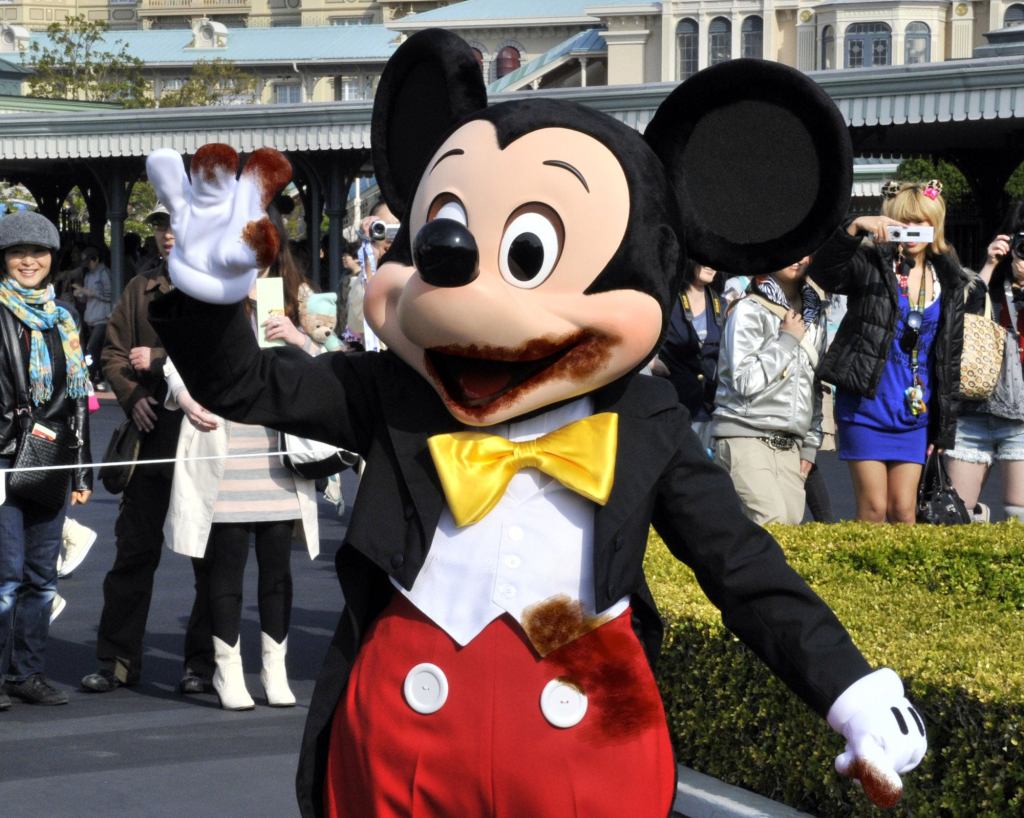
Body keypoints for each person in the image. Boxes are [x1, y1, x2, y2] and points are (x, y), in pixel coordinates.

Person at [162, 211, 321, 711]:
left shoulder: (297, 304)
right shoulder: (209, 301)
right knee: (223, 572)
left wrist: (299, 341)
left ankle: (275, 670)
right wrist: (186, 398)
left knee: (278, 574)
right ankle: (227, 673)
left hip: (278, 458)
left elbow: (333, 372)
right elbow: (175, 360)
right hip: (223, 453)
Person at [81, 204, 214, 695]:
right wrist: (132, 395)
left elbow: (229, 352)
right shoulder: (140, 289)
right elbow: (112, 352)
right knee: (133, 553)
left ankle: (202, 664)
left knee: (210, 558)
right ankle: (116, 660)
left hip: (205, 438)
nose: (169, 234)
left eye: (178, 224)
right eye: (160, 225)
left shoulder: (219, 288)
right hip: (151, 435)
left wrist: (158, 359)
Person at [807, 180, 980, 523]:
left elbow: (950, 359)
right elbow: (824, 272)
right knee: (872, 509)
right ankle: (864, 578)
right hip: (866, 406)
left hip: (915, 413)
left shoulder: (948, 279)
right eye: (905, 221)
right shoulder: (871, 262)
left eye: (921, 222)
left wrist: (943, 428)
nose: (913, 230)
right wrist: (854, 228)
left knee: (904, 510)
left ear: (936, 226)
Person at [0, 210, 93, 709]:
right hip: (2, 461)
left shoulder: (64, 319)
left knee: (42, 577)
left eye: (37, 253)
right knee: (5, 578)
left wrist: (81, 469)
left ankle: (27, 673)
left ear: (52, 259)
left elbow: (78, 399)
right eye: (18, 252)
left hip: (51, 457)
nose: (28, 261)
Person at [709, 257, 827, 524]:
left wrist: (810, 444)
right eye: (791, 249)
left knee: (789, 531)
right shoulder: (748, 308)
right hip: (745, 433)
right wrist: (786, 340)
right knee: (770, 522)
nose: (799, 258)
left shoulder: (815, 313)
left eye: (806, 250)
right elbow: (744, 381)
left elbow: (814, 383)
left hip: (791, 444)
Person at [945, 202, 1024, 523]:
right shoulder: (989, 287)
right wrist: (991, 264)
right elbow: (960, 316)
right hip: (976, 409)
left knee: (1019, 515)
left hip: (1020, 417)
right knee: (956, 515)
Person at [650, 261, 724, 450]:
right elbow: (644, 335)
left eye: (714, 259)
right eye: (703, 259)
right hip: (670, 405)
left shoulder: (720, 304)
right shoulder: (668, 297)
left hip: (706, 410)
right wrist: (651, 362)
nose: (711, 265)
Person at [345, 201, 397, 352]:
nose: (391, 236)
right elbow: (359, 322)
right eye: (382, 228)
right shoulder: (361, 280)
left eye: (397, 227)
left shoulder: (422, 273)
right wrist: (370, 258)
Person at [75, 246, 112, 389]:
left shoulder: (105, 273)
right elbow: (87, 298)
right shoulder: (88, 275)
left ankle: (87, 378)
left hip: (103, 318)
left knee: (91, 349)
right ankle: (98, 377)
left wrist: (91, 292)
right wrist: (82, 294)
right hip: (91, 317)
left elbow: (111, 294)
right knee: (97, 351)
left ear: (95, 260)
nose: (88, 266)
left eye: (89, 262)